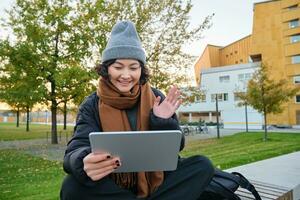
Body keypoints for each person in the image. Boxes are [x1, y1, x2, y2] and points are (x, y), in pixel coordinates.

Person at [60, 20, 214, 200]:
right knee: (71, 187)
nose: (126, 75)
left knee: (203, 165)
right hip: (111, 182)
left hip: (156, 177)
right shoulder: (91, 104)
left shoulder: (156, 97)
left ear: (141, 70)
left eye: (133, 68)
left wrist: (163, 121)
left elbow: (175, 147)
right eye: (118, 67)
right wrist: (82, 160)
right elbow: (76, 147)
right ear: (106, 69)